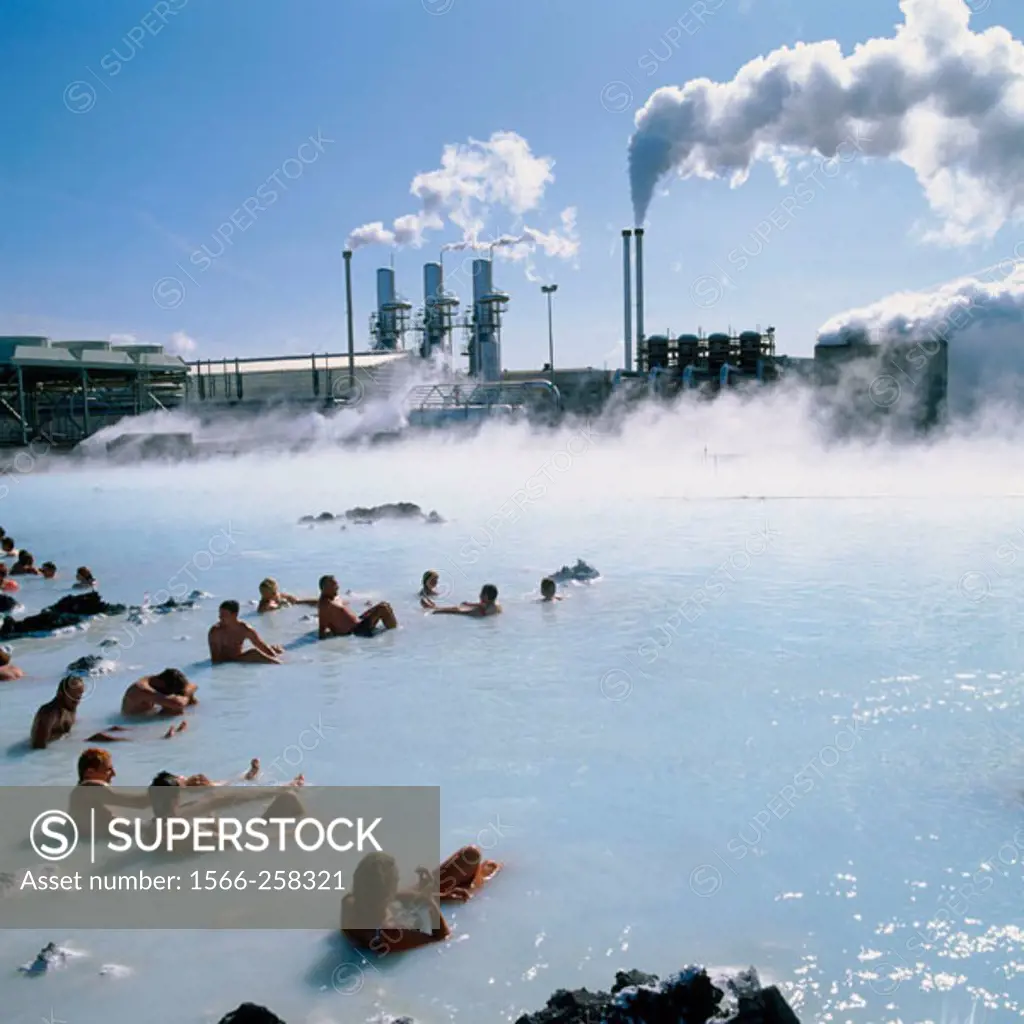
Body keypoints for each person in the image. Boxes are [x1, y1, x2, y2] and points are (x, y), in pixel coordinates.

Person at [341, 847, 501, 953]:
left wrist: (431, 895)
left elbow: (379, 896)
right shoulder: (388, 935)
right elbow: (441, 937)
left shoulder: (351, 902)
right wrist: (430, 903)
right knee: (484, 873)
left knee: (470, 855)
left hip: (406, 906)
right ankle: (491, 873)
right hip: (414, 913)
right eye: (396, 879)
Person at [318, 575, 397, 638]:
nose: (337, 587)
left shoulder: (334, 597)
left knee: (385, 604)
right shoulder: (325, 605)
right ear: (325, 588)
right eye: (334, 585)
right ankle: (395, 634)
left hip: (359, 621)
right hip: (357, 631)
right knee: (383, 608)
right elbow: (322, 628)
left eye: (336, 584)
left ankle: (392, 628)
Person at [209, 600, 283, 664]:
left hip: (237, 659)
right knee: (254, 653)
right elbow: (215, 659)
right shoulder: (216, 631)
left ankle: (280, 664)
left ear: (235, 615)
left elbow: (260, 645)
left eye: (224, 615)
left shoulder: (244, 629)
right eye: (220, 614)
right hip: (224, 662)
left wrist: (273, 655)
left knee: (257, 652)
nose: (220, 617)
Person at [30, 675, 85, 749]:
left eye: (79, 696)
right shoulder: (49, 713)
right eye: (72, 696)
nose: (77, 701)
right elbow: (38, 746)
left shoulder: (70, 707)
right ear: (60, 694)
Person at [121, 668, 198, 716]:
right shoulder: (142, 690)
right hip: (133, 723)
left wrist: (186, 693)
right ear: (160, 683)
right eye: (168, 691)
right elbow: (178, 704)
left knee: (191, 700)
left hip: (148, 715)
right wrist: (186, 694)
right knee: (175, 710)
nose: (168, 694)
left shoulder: (154, 681)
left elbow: (192, 686)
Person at [431, 584, 502, 617]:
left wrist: (468, 604)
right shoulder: (496, 605)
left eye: (481, 594)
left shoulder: (483, 606)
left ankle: (436, 609)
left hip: (477, 614)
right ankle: (435, 607)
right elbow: (481, 604)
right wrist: (468, 604)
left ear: (486, 596)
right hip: (483, 613)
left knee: (457, 610)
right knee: (459, 608)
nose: (479, 595)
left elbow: (481, 605)